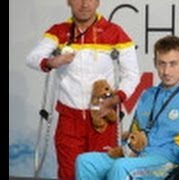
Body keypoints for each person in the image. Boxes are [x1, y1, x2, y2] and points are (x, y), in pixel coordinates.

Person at [75, 35, 179, 179]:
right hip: (138, 155)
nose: (166, 71)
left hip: (170, 161)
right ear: (155, 63)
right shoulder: (148, 95)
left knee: (121, 167)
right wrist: (126, 146)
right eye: (162, 63)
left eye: (173, 64)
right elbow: (135, 133)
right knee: (85, 162)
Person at [26, 0, 140, 179]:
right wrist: (50, 62)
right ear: (69, 2)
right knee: (69, 173)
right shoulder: (59, 31)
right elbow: (32, 58)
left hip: (103, 119)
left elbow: (132, 74)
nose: (84, 4)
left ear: (98, 2)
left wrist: (115, 99)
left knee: (101, 172)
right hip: (69, 120)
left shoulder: (114, 32)